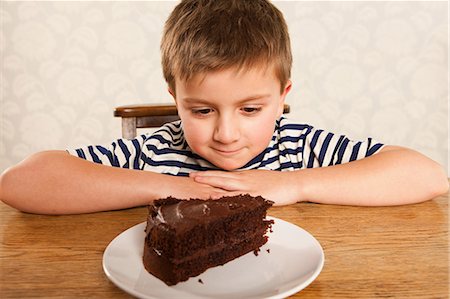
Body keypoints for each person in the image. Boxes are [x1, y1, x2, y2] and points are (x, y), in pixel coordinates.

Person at [0, 0, 448, 215]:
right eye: (202, 111)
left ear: (284, 95)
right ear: (175, 98)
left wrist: (293, 185)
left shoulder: (300, 148)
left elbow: (427, 175)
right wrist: (167, 187)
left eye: (251, 109)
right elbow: (21, 183)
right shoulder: (153, 152)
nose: (227, 134)